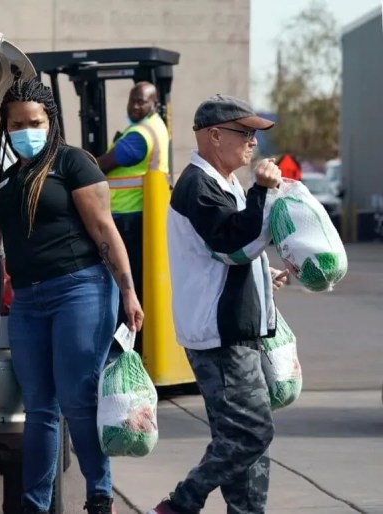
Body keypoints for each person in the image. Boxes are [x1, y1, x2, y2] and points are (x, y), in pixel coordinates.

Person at [0, 76, 144, 514]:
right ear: (5, 128)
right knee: (39, 409)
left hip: (79, 290)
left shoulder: (73, 163)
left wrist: (128, 291)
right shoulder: (7, 179)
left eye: (35, 121)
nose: (26, 130)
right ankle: (35, 505)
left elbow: (105, 229)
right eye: (17, 124)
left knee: (78, 400)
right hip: (27, 301)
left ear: (51, 121)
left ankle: (99, 495)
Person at [148, 94, 289, 514]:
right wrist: (263, 193)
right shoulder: (198, 185)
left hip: (234, 331)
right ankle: (182, 502)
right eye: (244, 133)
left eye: (254, 135)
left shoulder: (222, 182)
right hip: (220, 337)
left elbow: (236, 254)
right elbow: (233, 245)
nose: (252, 143)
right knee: (250, 435)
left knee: (243, 444)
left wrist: (265, 279)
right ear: (214, 135)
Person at [95, 81, 170, 354]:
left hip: (127, 218)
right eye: (132, 100)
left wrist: (76, 163)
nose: (135, 106)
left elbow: (105, 164)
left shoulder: (140, 135)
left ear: (154, 104)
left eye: (142, 101)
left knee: (122, 285)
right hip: (136, 216)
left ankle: (121, 351)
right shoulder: (156, 127)